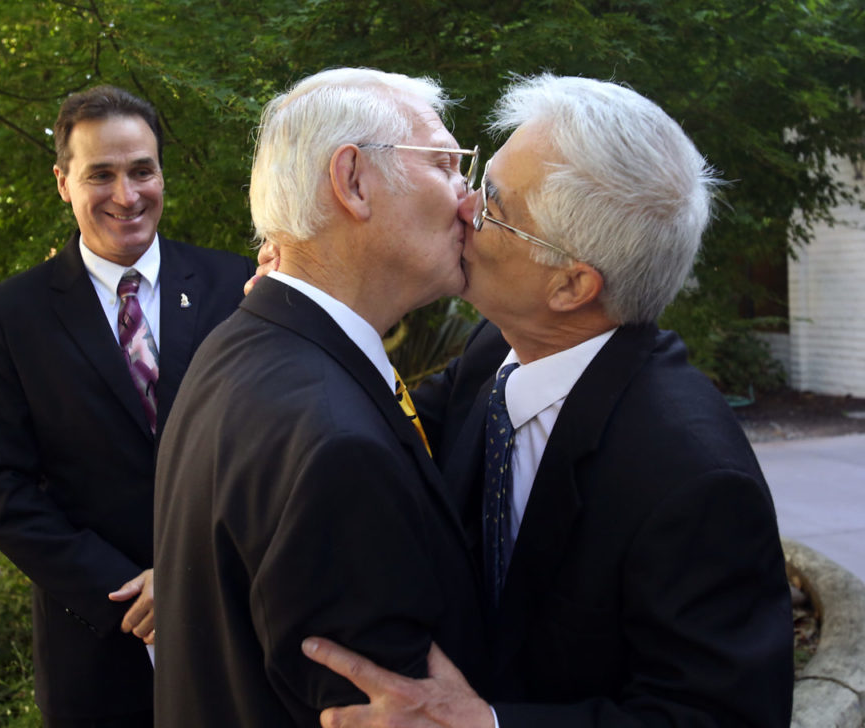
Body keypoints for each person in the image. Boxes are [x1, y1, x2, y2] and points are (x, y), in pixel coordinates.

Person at [299, 74, 794, 727]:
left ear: (571, 285)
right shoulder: (495, 352)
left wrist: (489, 726)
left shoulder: (690, 477)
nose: (463, 205)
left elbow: (721, 716)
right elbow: (383, 439)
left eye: (495, 204)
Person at [152, 68, 489, 727]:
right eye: (448, 164)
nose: (468, 200)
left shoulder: (242, 347)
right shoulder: (335, 444)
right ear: (353, 182)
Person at [0, 84, 254, 727]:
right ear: (64, 182)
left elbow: (270, 451)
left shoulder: (234, 288)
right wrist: (127, 593)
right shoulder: (13, 316)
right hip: (95, 648)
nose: (126, 195)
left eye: (142, 170)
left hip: (232, 628)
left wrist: (190, 578)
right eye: (101, 174)